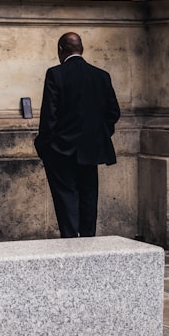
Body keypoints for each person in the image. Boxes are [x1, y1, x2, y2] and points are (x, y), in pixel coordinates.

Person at [34, 32, 121, 238]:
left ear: (61, 50)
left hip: (61, 149)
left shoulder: (56, 74)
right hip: (92, 149)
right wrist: (98, 136)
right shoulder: (101, 75)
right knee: (89, 196)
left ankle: (71, 240)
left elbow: (49, 116)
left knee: (66, 197)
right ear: (81, 49)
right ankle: (88, 239)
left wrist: (44, 145)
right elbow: (113, 113)